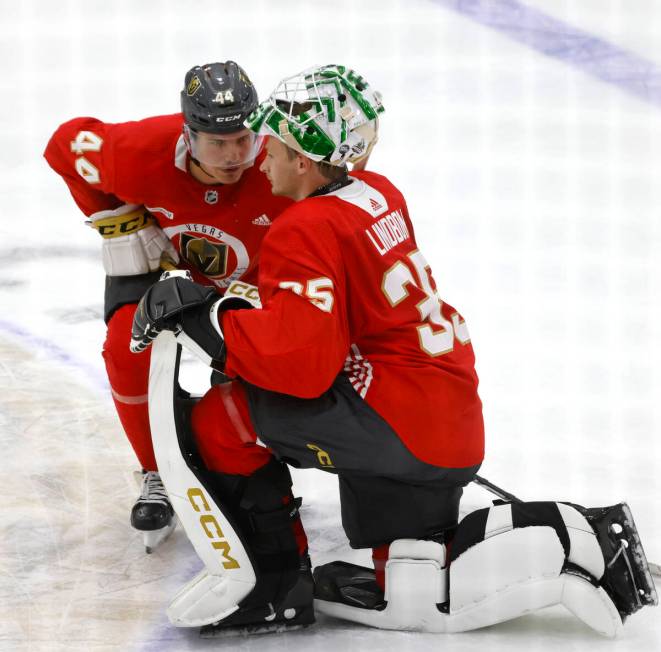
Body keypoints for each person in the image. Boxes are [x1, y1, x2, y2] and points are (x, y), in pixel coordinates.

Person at [130, 65, 657, 636]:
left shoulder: (302, 227)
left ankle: (269, 587)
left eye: (274, 148)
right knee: (413, 582)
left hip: (399, 422)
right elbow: (338, 307)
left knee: (221, 417)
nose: (262, 160)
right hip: (438, 413)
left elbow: (301, 368)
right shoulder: (377, 192)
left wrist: (208, 319)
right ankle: (575, 535)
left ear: (304, 161)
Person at [43, 61, 292, 552]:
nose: (234, 155)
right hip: (167, 269)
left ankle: (246, 462)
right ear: (187, 132)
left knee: (264, 367)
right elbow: (63, 146)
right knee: (123, 348)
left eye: (243, 138)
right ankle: (157, 473)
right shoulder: (139, 153)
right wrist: (119, 222)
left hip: (262, 280)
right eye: (217, 143)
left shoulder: (286, 158)